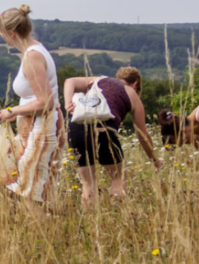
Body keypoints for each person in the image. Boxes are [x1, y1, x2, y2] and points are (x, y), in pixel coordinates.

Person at [0, 5, 62, 207]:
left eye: (1, 32)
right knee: (9, 180)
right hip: (35, 127)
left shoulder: (32, 57)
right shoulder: (36, 51)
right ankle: (48, 229)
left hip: (43, 128)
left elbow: (46, 102)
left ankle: (43, 233)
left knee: (30, 191)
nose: (1, 36)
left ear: (11, 33)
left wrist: (12, 111)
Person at [61, 67, 163, 204]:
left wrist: (68, 104)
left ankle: (87, 221)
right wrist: (154, 159)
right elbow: (142, 134)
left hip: (77, 127)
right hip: (104, 128)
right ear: (136, 84)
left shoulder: (97, 79)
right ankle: (117, 212)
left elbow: (69, 81)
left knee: (88, 183)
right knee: (119, 177)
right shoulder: (132, 94)